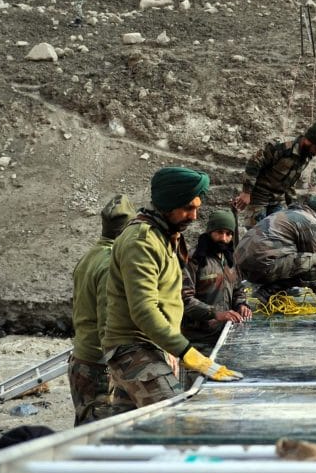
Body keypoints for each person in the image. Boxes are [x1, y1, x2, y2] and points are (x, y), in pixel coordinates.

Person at [102, 167, 243, 413]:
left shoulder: (164, 236)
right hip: (134, 349)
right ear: (168, 205)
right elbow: (144, 310)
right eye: (188, 208)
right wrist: (188, 352)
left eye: (197, 208)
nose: (194, 216)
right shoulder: (142, 241)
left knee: (133, 433)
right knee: (176, 416)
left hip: (151, 346)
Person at [68, 194, 136, 426]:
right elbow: (108, 324)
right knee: (100, 435)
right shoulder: (110, 264)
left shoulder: (90, 256)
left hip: (82, 357)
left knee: (85, 429)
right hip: (99, 366)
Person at [234, 195, 316, 304]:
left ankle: (268, 288)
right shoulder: (310, 221)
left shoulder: (289, 213)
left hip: (242, 268)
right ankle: (268, 291)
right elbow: (312, 262)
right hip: (261, 268)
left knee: (293, 256)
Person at [231, 121, 316, 228]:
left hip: (276, 201)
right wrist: (246, 192)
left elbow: (289, 183)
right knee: (258, 237)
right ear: (308, 141)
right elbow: (254, 163)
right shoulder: (281, 146)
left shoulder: (306, 156)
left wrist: (293, 207)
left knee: (280, 235)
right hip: (258, 197)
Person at [181, 209, 253, 353]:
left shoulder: (229, 259)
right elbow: (184, 301)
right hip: (198, 341)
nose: (224, 238)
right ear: (210, 232)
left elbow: (237, 288)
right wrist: (216, 313)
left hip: (226, 335)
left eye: (228, 234)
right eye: (219, 232)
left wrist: (241, 305)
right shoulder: (193, 260)